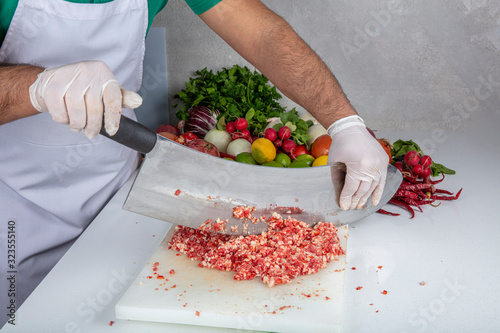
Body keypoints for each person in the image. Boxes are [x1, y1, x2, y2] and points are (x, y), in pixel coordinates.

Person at [0, 0, 388, 325]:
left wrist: (344, 122)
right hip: (14, 202)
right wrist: (37, 86)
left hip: (117, 193)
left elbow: (264, 34)